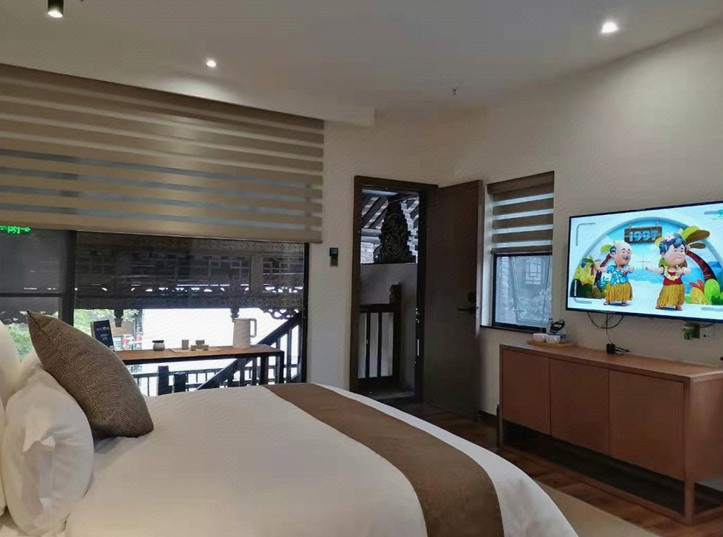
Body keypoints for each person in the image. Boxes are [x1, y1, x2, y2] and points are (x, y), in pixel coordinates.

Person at [645, 233, 690, 310]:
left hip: (678, 286)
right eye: (675, 250)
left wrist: (683, 271)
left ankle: (677, 304)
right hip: (667, 286)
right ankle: (661, 304)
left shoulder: (680, 268)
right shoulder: (665, 268)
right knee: (664, 296)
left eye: (681, 250)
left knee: (678, 296)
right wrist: (651, 269)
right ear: (663, 254)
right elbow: (658, 270)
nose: (679, 254)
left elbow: (688, 270)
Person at [594, 241, 634, 305]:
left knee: (623, 292)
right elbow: (605, 269)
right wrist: (599, 268)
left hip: (623, 284)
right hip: (614, 284)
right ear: (613, 255)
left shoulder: (626, 267)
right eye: (623, 252)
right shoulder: (612, 268)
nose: (627, 254)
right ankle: (608, 300)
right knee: (611, 292)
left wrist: (628, 269)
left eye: (628, 252)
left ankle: (623, 300)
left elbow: (632, 269)